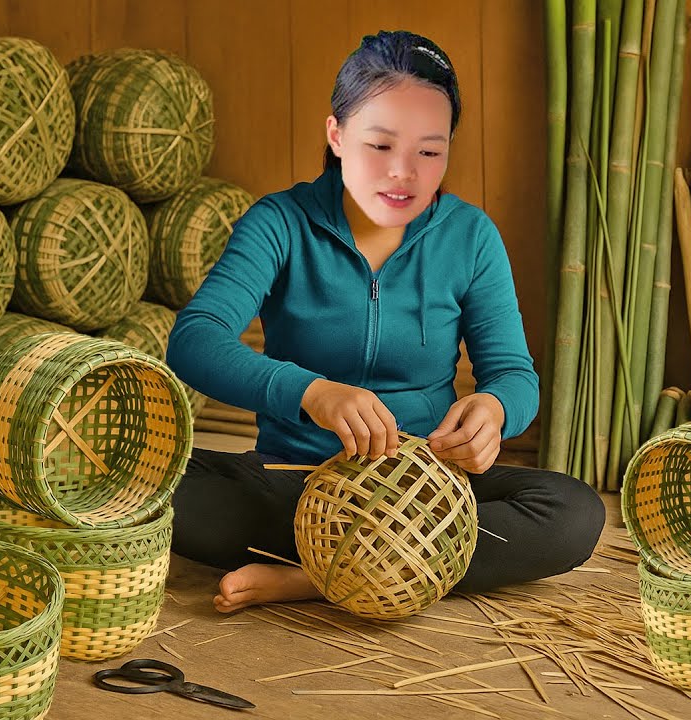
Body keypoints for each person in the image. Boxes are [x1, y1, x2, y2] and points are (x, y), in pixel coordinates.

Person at [166, 30, 604, 614]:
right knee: (158, 486)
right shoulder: (280, 222)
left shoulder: (470, 236)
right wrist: (312, 392)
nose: (403, 173)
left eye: (429, 151)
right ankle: (377, 565)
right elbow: (194, 339)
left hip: (429, 498)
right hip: (295, 487)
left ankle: (315, 576)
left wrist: (496, 411)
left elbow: (513, 375)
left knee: (574, 513)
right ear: (338, 135)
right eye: (379, 145)